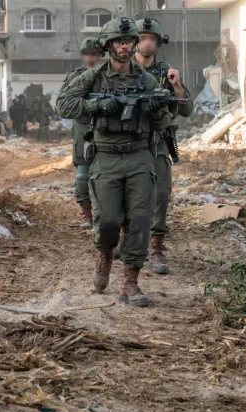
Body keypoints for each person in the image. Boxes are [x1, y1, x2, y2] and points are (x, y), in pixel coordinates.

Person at [57, 18, 171, 307]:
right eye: (119, 41)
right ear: (108, 46)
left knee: (141, 220)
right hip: (105, 156)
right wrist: (96, 105)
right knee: (107, 220)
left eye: (128, 41)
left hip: (139, 155)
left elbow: (162, 123)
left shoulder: (145, 79)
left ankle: (131, 283)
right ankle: (104, 254)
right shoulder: (93, 77)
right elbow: (64, 105)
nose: (124, 45)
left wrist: (158, 108)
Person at [132, 17, 192, 275]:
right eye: (142, 38)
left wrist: (176, 85)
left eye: (152, 39)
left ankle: (156, 248)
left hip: (157, 144)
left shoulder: (166, 72)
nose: (147, 43)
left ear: (157, 43)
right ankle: (131, 243)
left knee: (162, 194)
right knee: (131, 197)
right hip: (130, 143)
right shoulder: (122, 70)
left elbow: (187, 109)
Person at [60, 36, 105, 230]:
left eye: (94, 54)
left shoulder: (108, 76)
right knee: (82, 175)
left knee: (106, 175)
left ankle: (105, 213)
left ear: (101, 55)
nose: (90, 58)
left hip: (106, 129)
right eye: (87, 54)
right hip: (83, 129)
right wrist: (91, 106)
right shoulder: (74, 77)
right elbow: (63, 106)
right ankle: (86, 213)